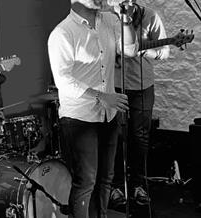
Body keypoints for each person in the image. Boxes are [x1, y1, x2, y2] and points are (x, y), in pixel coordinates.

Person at [47, 0, 138, 217]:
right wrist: (100, 96)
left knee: (105, 179)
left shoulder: (109, 20)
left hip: (108, 114)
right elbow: (63, 81)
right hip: (79, 117)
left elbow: (131, 50)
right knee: (86, 181)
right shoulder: (62, 33)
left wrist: (126, 19)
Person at [110, 1, 170, 207]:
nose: (120, 6)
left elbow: (165, 52)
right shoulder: (108, 17)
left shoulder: (150, 17)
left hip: (142, 87)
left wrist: (142, 51)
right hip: (114, 86)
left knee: (140, 136)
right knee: (115, 136)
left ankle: (138, 184)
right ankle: (116, 186)